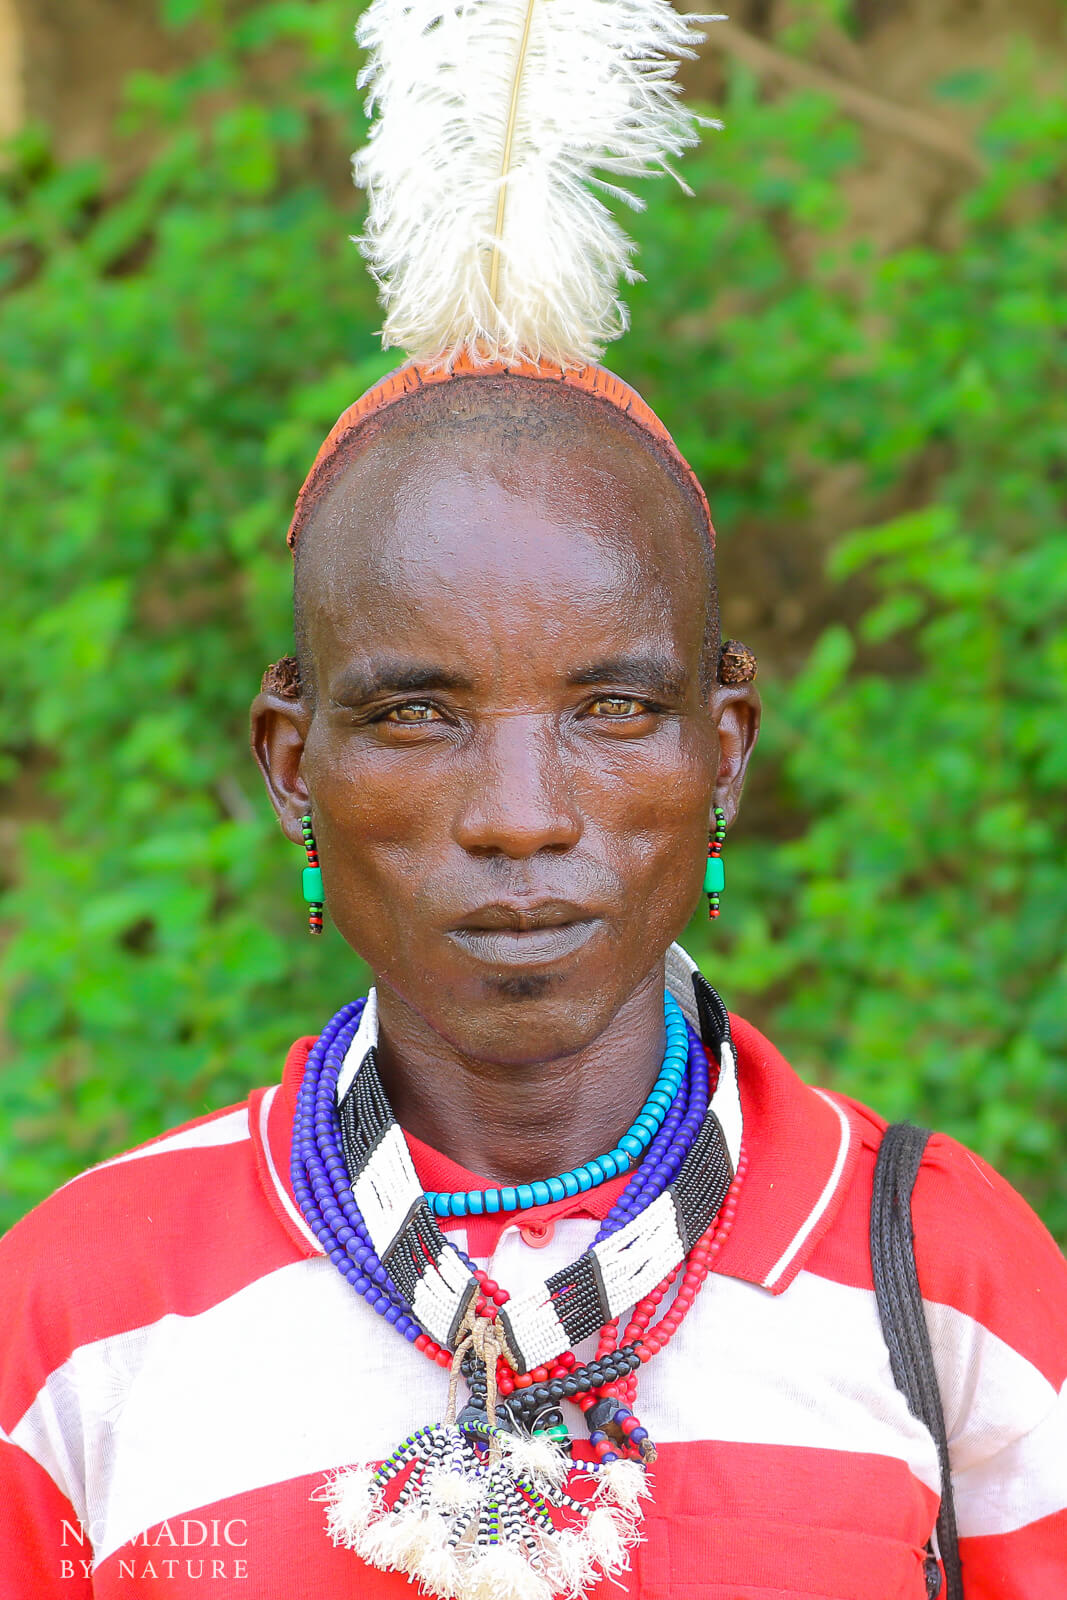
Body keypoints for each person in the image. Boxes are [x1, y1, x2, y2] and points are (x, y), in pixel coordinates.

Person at [2, 1, 1065, 1597]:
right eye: (417, 715)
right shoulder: (75, 1320)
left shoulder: (949, 1281)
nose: (517, 816)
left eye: (614, 710)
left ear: (725, 754)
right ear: (295, 768)